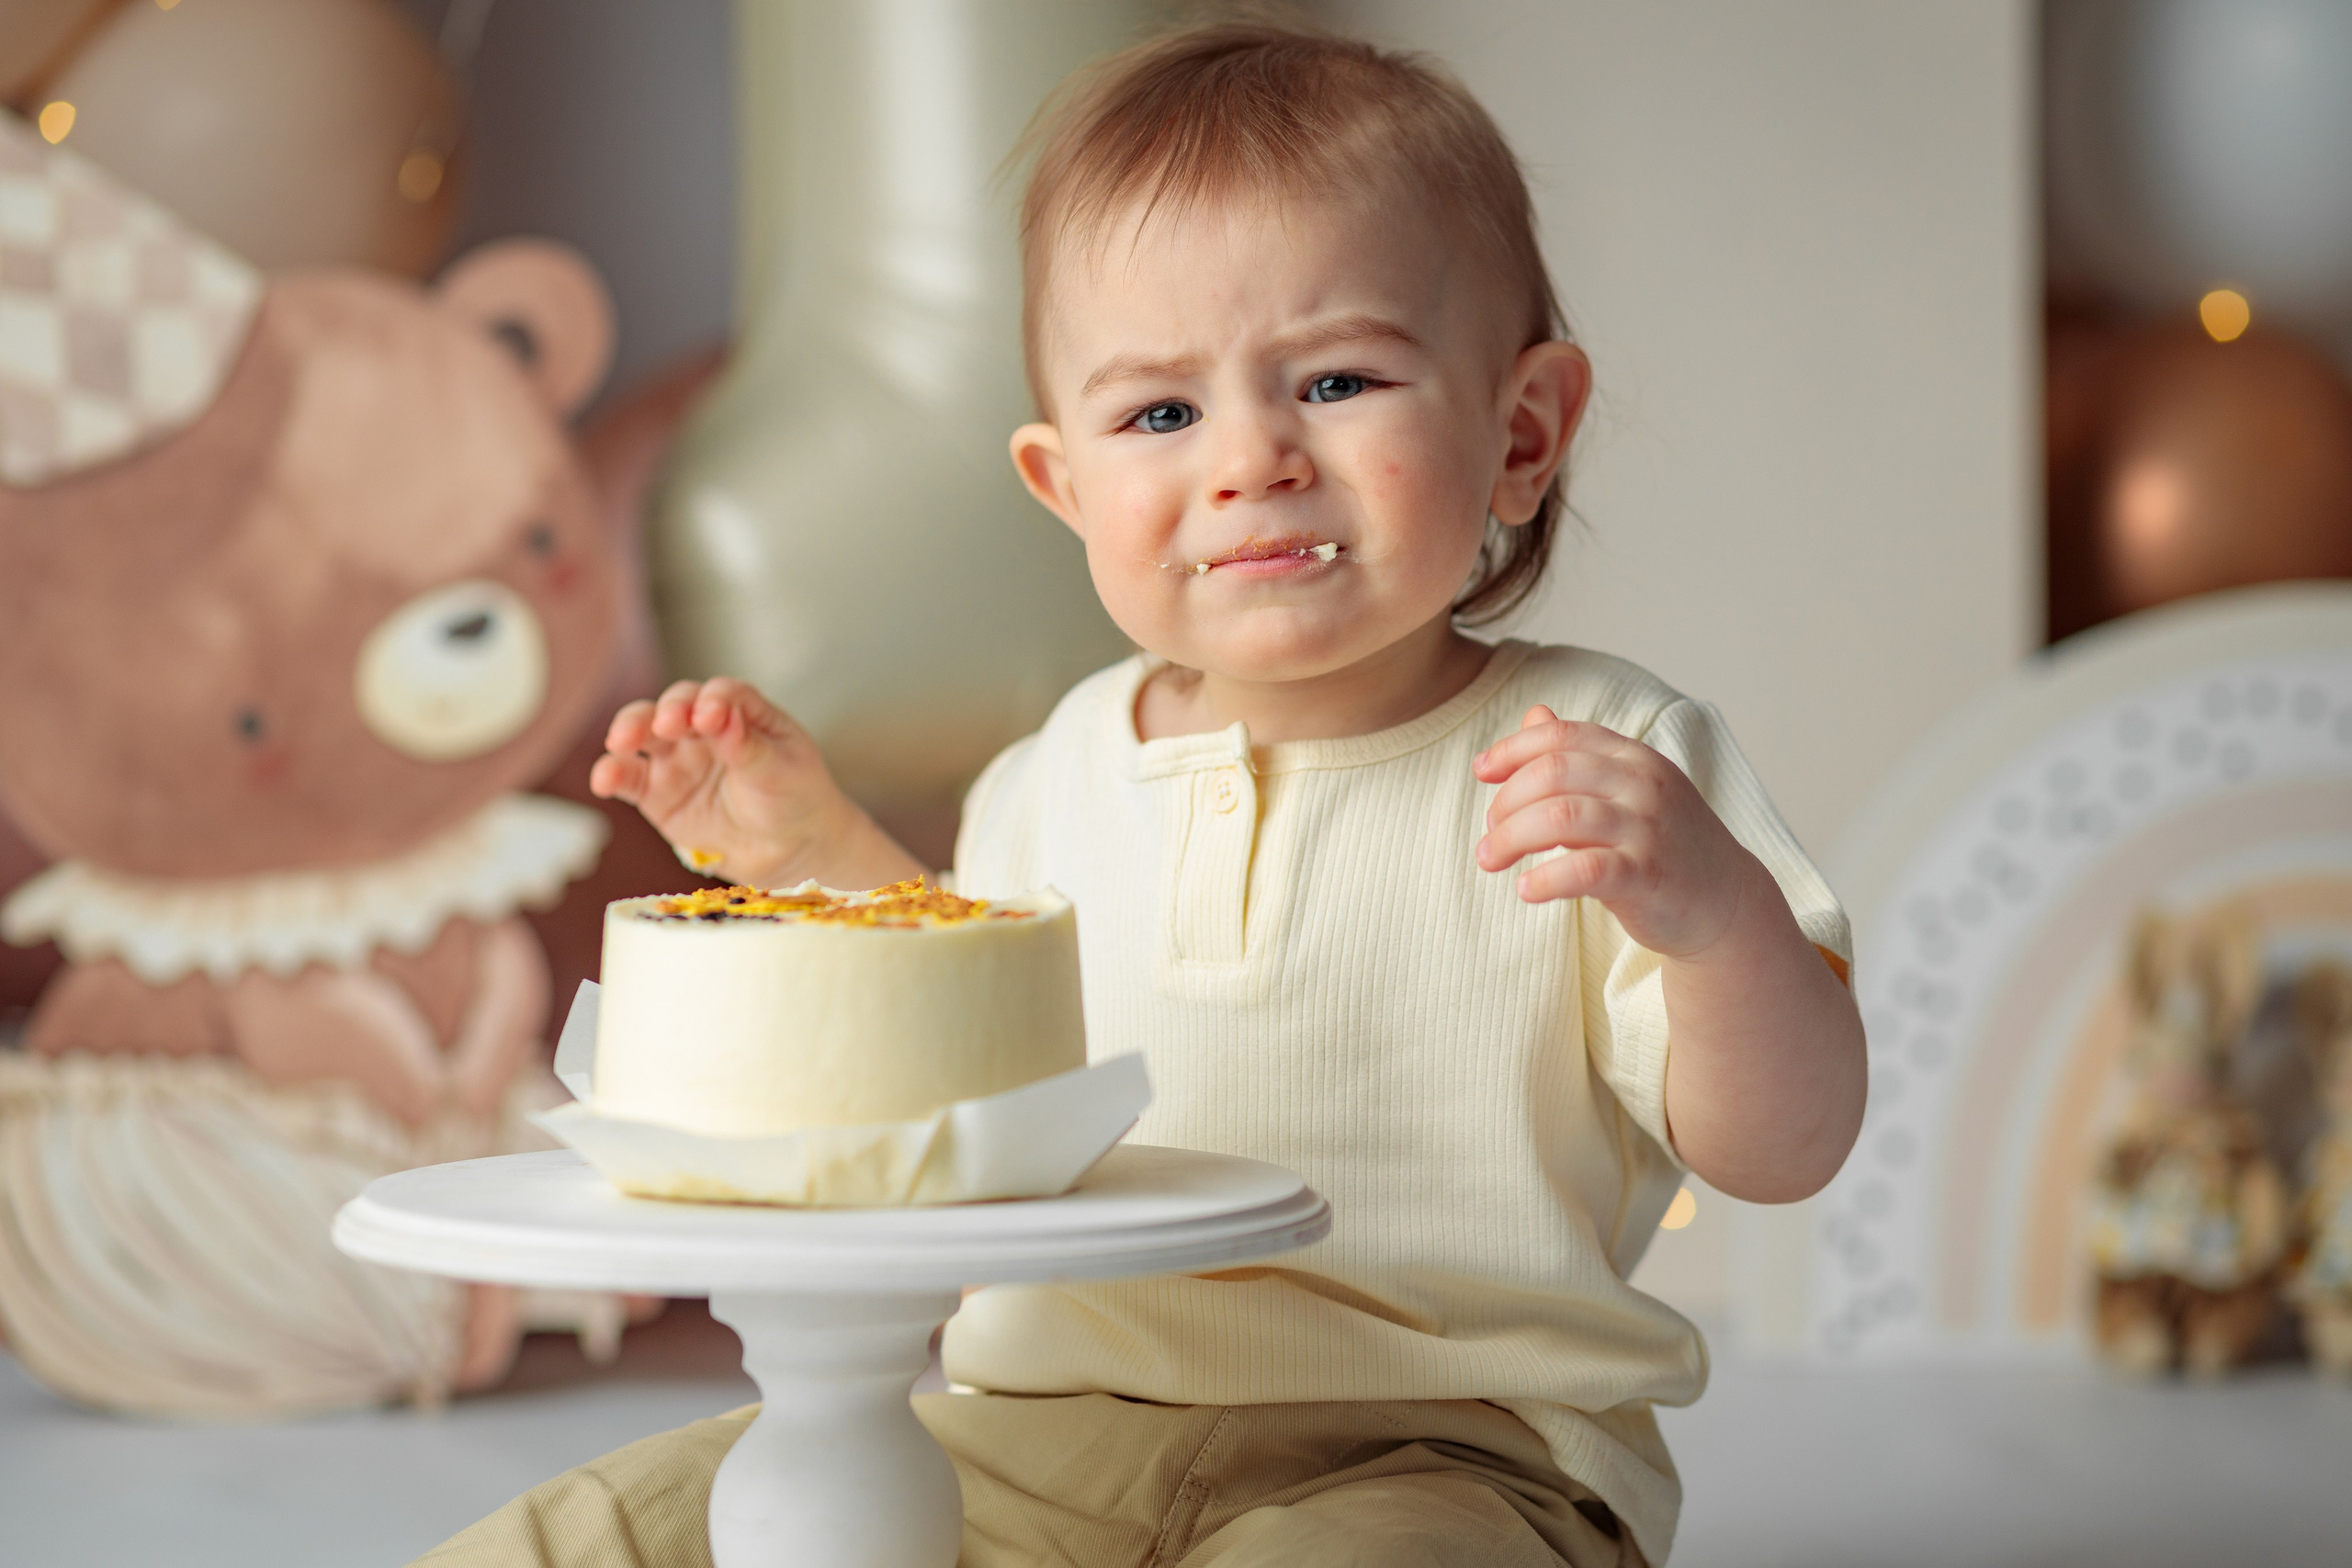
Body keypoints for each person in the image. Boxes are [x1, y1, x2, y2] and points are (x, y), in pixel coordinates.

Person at [420, 20, 1865, 1568]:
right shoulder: (1059, 769)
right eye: (1161, 415)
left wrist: (1714, 922)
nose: (1251, 459)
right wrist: (811, 854)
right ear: (1065, 488)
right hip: (1024, 1435)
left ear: (1519, 436)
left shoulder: (1603, 758)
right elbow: (963, 1068)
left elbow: (1783, 1146)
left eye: (1339, 378)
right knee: (598, 1532)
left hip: (1448, 1455)